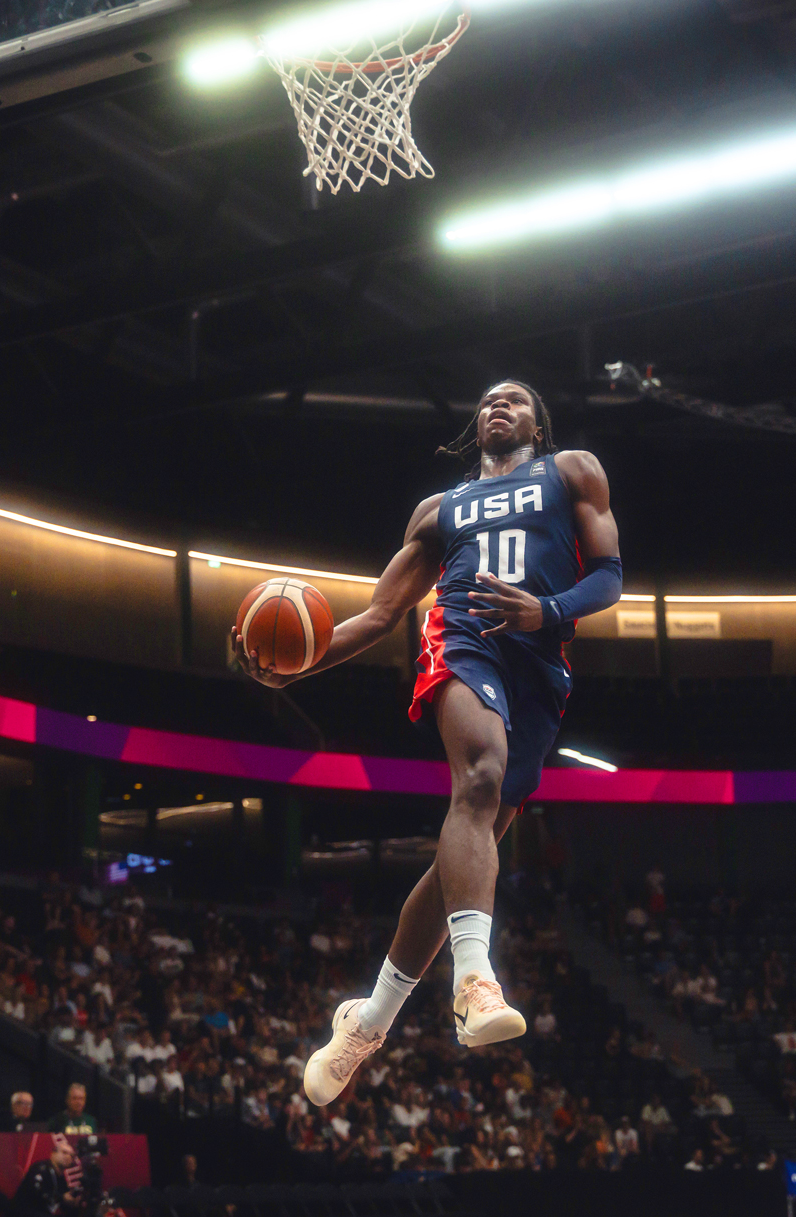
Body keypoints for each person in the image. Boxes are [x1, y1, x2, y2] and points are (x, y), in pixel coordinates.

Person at [234, 381, 623, 1105]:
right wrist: (291, 666)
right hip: (463, 636)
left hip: (538, 660)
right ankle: (474, 981)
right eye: (485, 401)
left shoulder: (572, 470)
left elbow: (608, 575)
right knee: (477, 780)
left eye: (512, 398)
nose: (496, 405)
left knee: (459, 859)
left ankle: (368, 1019)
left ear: (538, 419)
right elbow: (381, 613)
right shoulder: (440, 509)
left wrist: (548, 609)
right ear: (475, 426)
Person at [12, 1138, 76, 1217]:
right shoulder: (41, 1169)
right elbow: (37, 1194)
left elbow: (63, 1201)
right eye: (64, 1152)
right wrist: (62, 1198)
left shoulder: (61, 1177)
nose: (68, 1157)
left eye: (71, 1155)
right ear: (53, 1154)